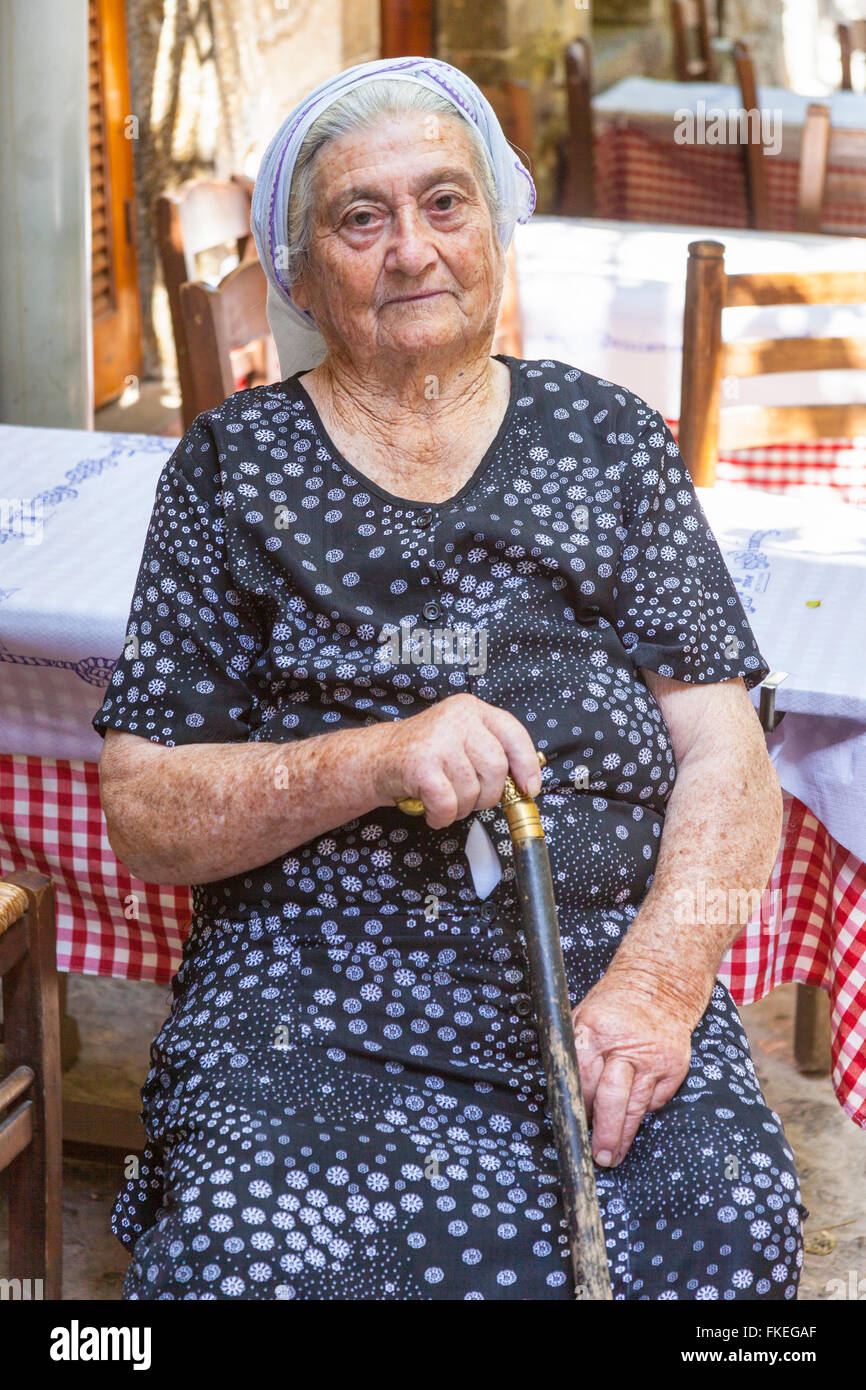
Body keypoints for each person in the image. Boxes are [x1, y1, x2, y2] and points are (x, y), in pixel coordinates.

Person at [94, 57, 804, 1300]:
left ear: (499, 230)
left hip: (598, 979)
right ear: (302, 274)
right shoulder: (230, 469)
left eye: (443, 203)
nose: (410, 250)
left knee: (723, 1221)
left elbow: (725, 750)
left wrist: (656, 985)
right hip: (309, 996)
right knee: (246, 1255)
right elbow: (145, 812)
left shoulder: (608, 442)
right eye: (359, 219)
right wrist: (373, 756)